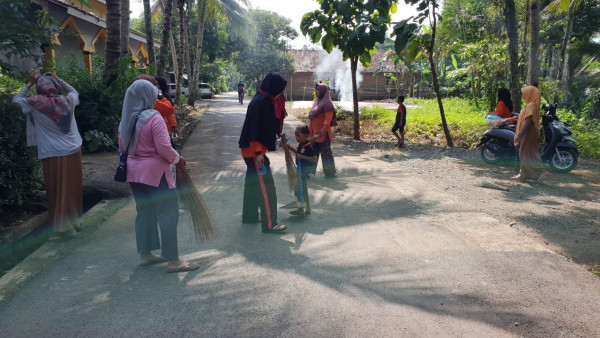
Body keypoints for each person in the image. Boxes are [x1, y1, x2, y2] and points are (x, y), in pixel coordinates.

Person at [119, 79, 199, 272]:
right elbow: (164, 149)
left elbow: (123, 148)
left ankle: (145, 255)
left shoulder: (125, 119)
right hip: (155, 174)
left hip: (133, 172)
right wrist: (178, 159)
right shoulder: (154, 118)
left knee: (145, 212)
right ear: (149, 96)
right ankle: (173, 261)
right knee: (168, 213)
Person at [13, 70, 83, 241]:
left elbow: (16, 99)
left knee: (58, 190)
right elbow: (74, 91)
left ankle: (65, 230)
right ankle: (73, 222)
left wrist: (29, 83)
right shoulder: (68, 101)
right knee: (71, 188)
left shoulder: (33, 104)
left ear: (39, 89)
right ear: (57, 87)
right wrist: (60, 79)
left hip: (53, 153)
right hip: (74, 150)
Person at [239, 73, 287, 233]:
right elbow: (253, 128)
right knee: (267, 188)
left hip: (252, 149)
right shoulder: (260, 102)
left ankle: (250, 216)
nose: (280, 93)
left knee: (253, 184)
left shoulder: (264, 100)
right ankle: (270, 224)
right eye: (279, 89)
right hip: (254, 151)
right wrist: (258, 152)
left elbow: (266, 125)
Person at [512, 86, 550, 182]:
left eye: (524, 93)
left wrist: (519, 135)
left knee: (527, 154)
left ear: (530, 94)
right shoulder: (527, 104)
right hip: (528, 132)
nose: (522, 95)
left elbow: (527, 122)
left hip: (528, 132)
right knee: (524, 153)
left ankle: (541, 172)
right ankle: (522, 175)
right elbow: (525, 117)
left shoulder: (531, 105)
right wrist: (518, 117)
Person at [285, 125, 317, 216]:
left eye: (298, 135)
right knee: (298, 190)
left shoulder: (308, 147)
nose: (296, 138)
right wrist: (290, 148)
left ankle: (307, 208)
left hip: (304, 171)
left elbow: (314, 159)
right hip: (299, 170)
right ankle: (301, 208)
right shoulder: (300, 145)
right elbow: (298, 153)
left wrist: (302, 157)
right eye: (295, 135)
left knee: (302, 190)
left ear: (306, 135)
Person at [308, 83, 337, 177]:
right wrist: (310, 131)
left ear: (324, 91)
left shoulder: (327, 103)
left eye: (318, 90)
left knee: (326, 154)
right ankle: (310, 171)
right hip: (314, 133)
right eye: (316, 90)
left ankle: (330, 173)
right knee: (313, 152)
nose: (317, 92)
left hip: (323, 133)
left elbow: (328, 119)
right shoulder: (317, 102)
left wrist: (323, 130)